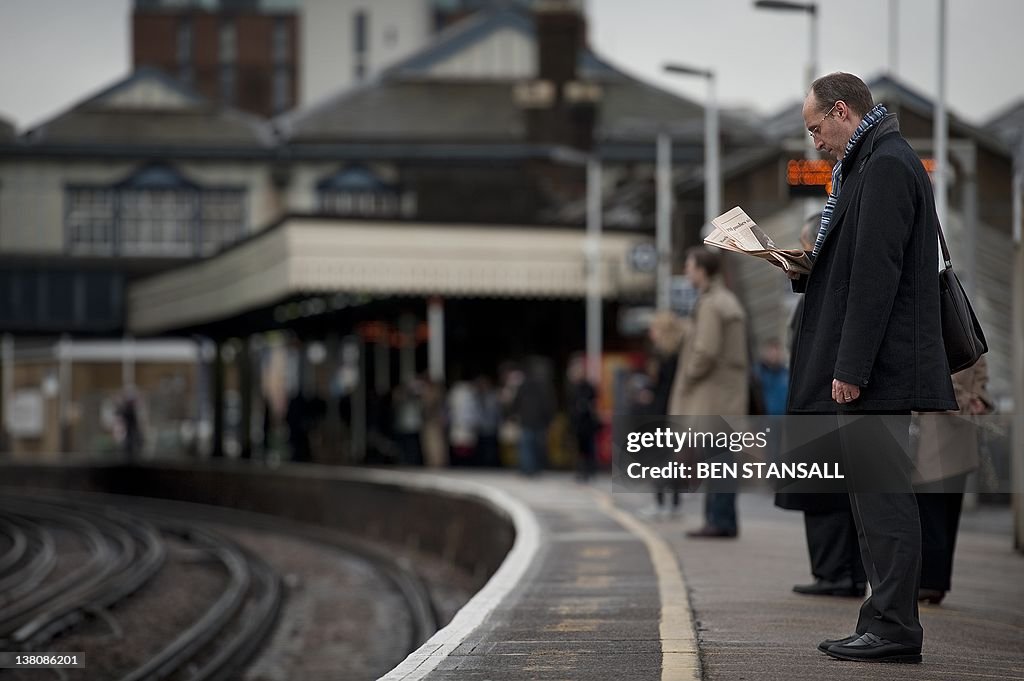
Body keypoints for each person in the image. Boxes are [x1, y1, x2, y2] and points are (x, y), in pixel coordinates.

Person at [788, 73, 957, 663]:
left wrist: (852, 365)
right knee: (872, 496)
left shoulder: (884, 165)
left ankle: (893, 628)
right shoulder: (873, 160)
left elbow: (877, 275)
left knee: (883, 497)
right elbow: (855, 261)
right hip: (877, 362)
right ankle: (881, 619)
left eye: (816, 129)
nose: (815, 144)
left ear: (841, 111)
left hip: (879, 366)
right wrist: (803, 266)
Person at [669, 247, 749, 538]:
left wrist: (688, 377)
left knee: (718, 459)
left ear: (703, 270)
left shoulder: (712, 304)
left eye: (689, 267)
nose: (686, 272)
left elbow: (705, 351)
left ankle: (719, 520)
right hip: (724, 394)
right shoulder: (724, 300)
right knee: (721, 458)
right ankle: (721, 519)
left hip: (712, 394)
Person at [913, 356, 993, 604]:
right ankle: (936, 582)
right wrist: (977, 398)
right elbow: (979, 365)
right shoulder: (965, 324)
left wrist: (966, 400)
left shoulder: (929, 326)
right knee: (947, 513)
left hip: (933, 435)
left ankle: (929, 582)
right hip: (959, 433)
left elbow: (930, 374)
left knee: (930, 512)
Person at [566, 355, 600, 481]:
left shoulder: (588, 387)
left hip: (587, 423)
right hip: (577, 423)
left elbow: (594, 404)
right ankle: (581, 470)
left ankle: (590, 470)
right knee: (579, 448)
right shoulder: (572, 387)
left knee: (589, 448)